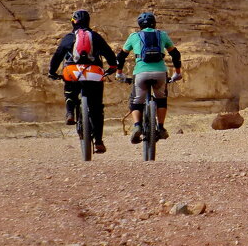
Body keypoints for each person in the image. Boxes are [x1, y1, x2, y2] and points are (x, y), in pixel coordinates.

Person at [48, 9, 117, 154]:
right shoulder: (95, 36)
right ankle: (98, 141)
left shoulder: (69, 37)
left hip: (73, 72)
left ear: (73, 22)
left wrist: (52, 72)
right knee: (97, 107)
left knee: (70, 89)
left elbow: (58, 55)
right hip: (94, 73)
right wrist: (112, 67)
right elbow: (109, 53)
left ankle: (70, 113)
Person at [116, 11, 182, 144]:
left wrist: (119, 73)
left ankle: (137, 126)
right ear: (154, 23)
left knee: (136, 101)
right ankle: (161, 127)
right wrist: (177, 72)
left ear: (139, 25)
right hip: (160, 73)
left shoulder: (134, 36)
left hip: (141, 73)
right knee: (161, 99)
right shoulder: (162, 34)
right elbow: (175, 54)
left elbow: (121, 56)